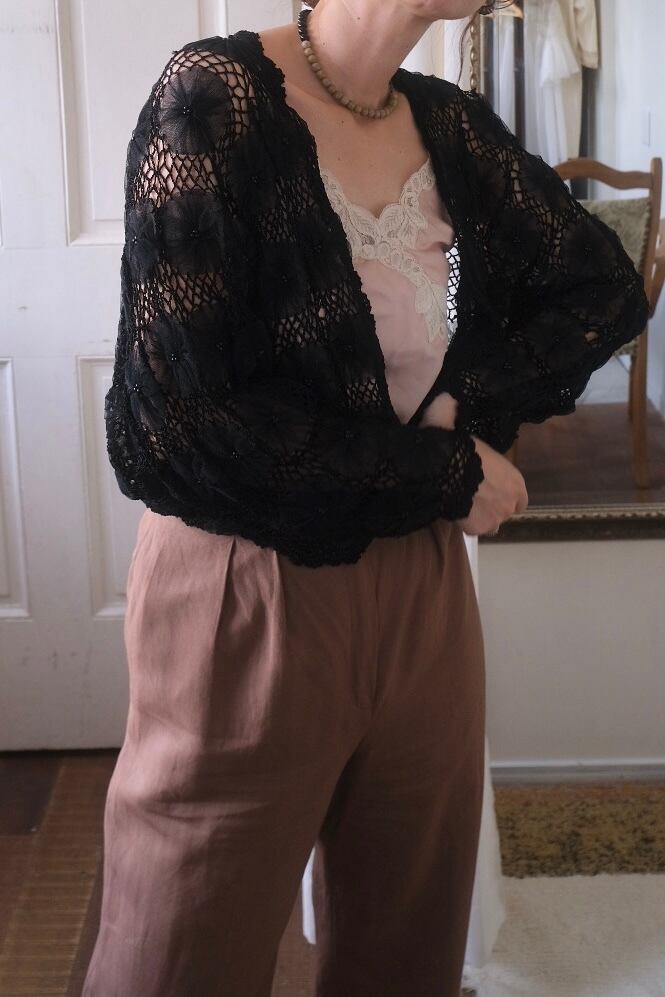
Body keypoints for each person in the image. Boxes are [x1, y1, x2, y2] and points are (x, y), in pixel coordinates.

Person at [81, 1, 647, 995]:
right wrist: (445, 471)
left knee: (408, 937)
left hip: (420, 577)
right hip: (244, 585)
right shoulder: (212, 99)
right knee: (180, 946)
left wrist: (466, 408)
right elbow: (186, 419)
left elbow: (600, 285)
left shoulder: (447, 123)